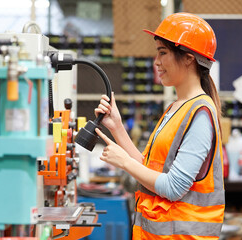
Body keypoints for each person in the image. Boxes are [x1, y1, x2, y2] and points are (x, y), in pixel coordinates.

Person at [94, 12, 225, 239]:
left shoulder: (200, 114)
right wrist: (116, 127)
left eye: (162, 53)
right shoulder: (177, 108)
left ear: (188, 58)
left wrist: (123, 162)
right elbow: (149, 170)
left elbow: (173, 187)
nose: (156, 62)